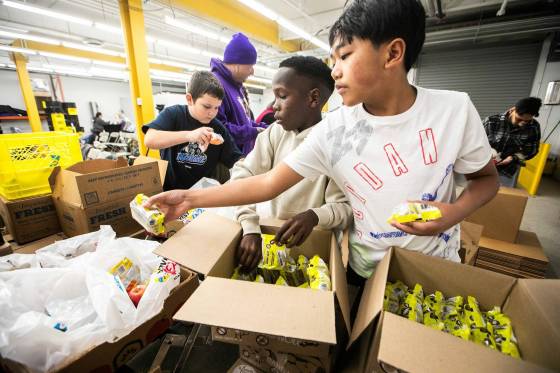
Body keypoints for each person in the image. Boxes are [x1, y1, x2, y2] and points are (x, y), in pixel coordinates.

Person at [146, 0, 498, 294]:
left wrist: (450, 214)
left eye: (344, 56)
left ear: (392, 53)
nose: (335, 71)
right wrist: (189, 198)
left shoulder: (453, 111)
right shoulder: (337, 130)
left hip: (434, 266)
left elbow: (486, 180)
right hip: (364, 271)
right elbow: (266, 183)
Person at [232, 56, 353, 270]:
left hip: (310, 252)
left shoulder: (336, 144)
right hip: (265, 239)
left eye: (282, 96)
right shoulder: (273, 134)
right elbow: (243, 176)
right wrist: (250, 227)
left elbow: (344, 208)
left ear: (313, 99)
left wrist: (315, 216)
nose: (272, 106)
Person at [143, 71, 242, 190]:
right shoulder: (173, 114)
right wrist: (189, 135)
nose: (212, 113)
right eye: (206, 106)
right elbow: (150, 139)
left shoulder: (218, 128)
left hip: (200, 198)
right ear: (190, 99)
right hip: (170, 193)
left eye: (217, 107)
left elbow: (237, 160)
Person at [210, 33, 267, 156]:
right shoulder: (216, 85)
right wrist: (253, 132)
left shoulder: (237, 86)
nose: (252, 72)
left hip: (240, 157)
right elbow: (219, 129)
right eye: (250, 66)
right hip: (226, 161)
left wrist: (262, 127)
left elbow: (243, 122)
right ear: (237, 64)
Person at [483, 97, 542, 187]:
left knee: (503, 197)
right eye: (519, 119)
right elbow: (473, 141)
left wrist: (513, 158)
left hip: (507, 170)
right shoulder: (491, 121)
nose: (522, 123)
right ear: (512, 110)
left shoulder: (533, 127)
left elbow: (531, 151)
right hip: (483, 167)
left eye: (527, 121)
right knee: (479, 193)